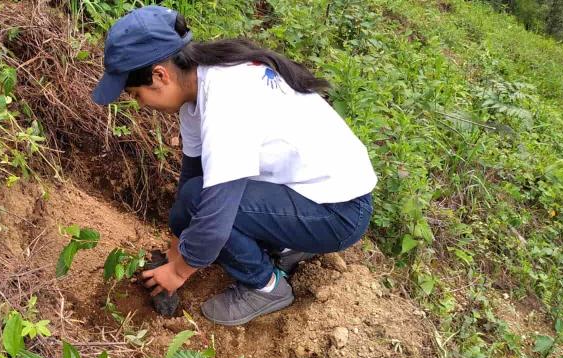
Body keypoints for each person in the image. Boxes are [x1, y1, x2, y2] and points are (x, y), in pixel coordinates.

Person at [91, 6, 377, 326]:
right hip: (307, 193)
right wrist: (177, 241)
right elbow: (193, 176)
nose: (139, 104)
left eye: (135, 94)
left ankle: (266, 287)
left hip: (339, 213)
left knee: (207, 206)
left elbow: (215, 218)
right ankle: (286, 246)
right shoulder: (201, 87)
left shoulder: (227, 101)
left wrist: (178, 271)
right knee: (193, 198)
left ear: (160, 75)